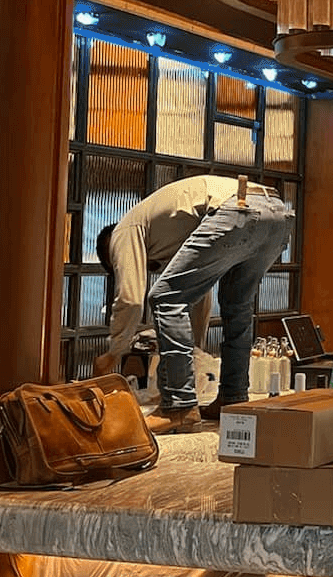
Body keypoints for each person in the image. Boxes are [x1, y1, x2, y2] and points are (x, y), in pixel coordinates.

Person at [93, 176, 293, 434]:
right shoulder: (167, 231)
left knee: (163, 298)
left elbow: (130, 299)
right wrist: (192, 352)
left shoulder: (123, 232)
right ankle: (232, 397)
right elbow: (196, 297)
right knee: (237, 306)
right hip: (276, 212)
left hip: (237, 208)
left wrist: (114, 352)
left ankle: (179, 407)